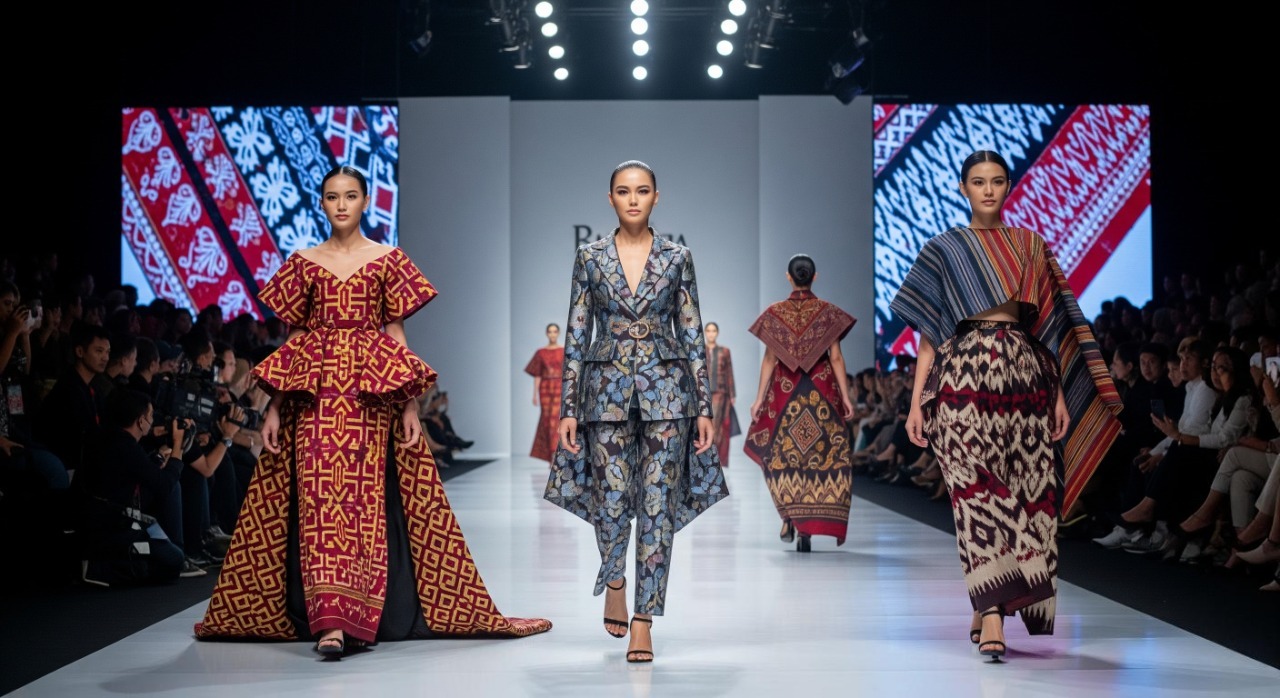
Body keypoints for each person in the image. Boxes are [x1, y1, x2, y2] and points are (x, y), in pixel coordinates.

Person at [194, 165, 551, 657]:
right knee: (319, 504)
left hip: (369, 401)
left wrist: (408, 405)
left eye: (350, 196)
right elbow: (295, 339)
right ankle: (330, 624)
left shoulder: (387, 260)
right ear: (321, 203)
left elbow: (395, 336)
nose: (341, 204)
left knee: (361, 507)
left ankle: (359, 615)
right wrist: (275, 406)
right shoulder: (303, 262)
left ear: (365, 202)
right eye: (331, 196)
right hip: (316, 400)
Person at [889, 150, 1122, 661]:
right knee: (975, 495)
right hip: (961, 378)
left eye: (997, 181)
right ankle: (992, 612)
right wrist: (915, 403)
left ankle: (987, 597)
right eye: (978, 181)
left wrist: (1060, 394)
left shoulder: (1031, 246)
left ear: (1009, 186)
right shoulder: (943, 249)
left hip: (1024, 379)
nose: (988, 190)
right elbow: (929, 335)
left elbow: (1050, 330)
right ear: (962, 187)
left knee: (1027, 493)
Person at [545, 159, 728, 664]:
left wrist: (705, 405)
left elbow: (692, 332)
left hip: (668, 390)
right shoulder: (590, 255)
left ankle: (644, 619)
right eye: (623, 191)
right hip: (603, 391)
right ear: (610, 199)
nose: (632, 199)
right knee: (609, 500)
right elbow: (577, 331)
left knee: (657, 505)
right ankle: (616, 579)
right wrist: (566, 408)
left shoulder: (677, 256)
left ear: (656, 197)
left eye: (642, 191)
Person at [743, 254, 855, 551]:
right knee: (820, 457)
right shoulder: (827, 313)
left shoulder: (775, 313)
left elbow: (769, 359)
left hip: (785, 395)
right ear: (814, 277)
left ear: (789, 277)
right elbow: (836, 358)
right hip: (821, 394)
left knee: (782, 456)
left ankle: (789, 515)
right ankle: (806, 524)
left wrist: (757, 400)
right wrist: (845, 396)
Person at [523, 322, 564, 463]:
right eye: (550, 331)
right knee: (547, 421)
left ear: (558, 333)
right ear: (547, 334)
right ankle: (551, 454)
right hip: (545, 388)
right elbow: (537, 375)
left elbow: (568, 373)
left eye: (554, 331)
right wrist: (534, 394)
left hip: (560, 387)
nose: (552, 334)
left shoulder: (564, 351)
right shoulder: (541, 353)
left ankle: (556, 452)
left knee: (556, 419)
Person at [704, 321, 739, 467]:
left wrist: (732, 394)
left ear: (717, 333)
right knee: (705, 424)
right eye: (708, 331)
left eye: (713, 331)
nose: (711, 333)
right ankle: (707, 460)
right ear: (705, 333)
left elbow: (729, 372)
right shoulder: (699, 350)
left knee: (718, 425)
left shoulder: (725, 351)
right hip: (703, 393)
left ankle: (716, 460)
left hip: (720, 393)